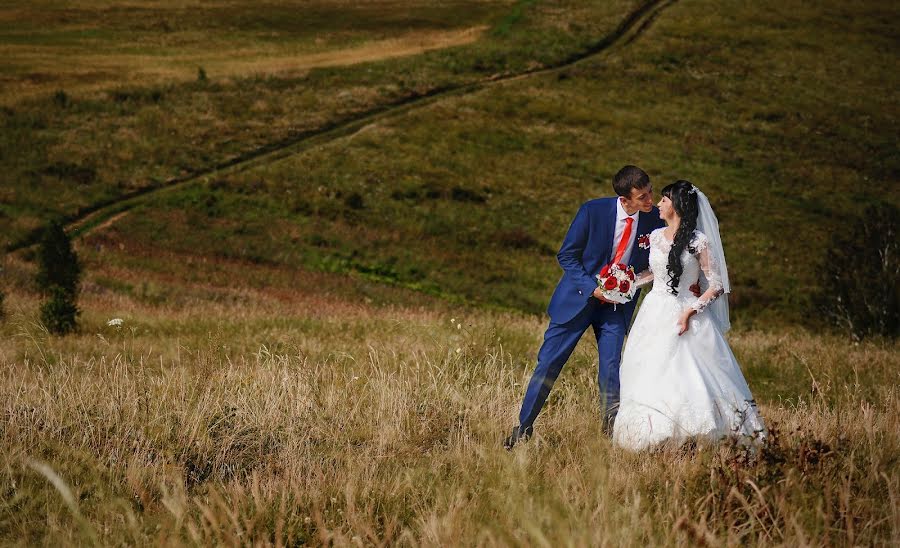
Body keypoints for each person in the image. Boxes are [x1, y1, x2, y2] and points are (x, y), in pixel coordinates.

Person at [505, 165, 666, 449]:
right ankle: (523, 428)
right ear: (625, 199)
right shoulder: (592, 211)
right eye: (642, 196)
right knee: (549, 364)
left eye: (650, 191)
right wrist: (593, 287)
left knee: (611, 368)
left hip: (617, 307)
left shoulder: (654, 218)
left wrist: (633, 282)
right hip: (578, 299)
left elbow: (660, 258)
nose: (650, 199)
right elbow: (567, 255)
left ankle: (611, 436)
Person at [612, 181, 766, 450]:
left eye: (663, 200)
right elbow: (657, 273)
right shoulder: (657, 236)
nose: (658, 204)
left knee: (688, 372)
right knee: (648, 369)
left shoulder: (697, 241)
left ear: (677, 205)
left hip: (686, 311)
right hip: (654, 311)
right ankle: (650, 434)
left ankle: (698, 433)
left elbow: (716, 284)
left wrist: (689, 312)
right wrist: (626, 282)